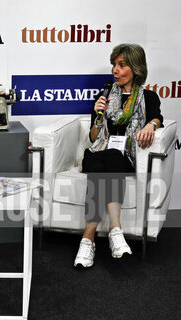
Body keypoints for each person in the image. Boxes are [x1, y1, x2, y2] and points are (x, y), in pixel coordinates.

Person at [74, 43, 163, 268]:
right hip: (99, 153)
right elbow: (94, 138)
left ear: (135, 68)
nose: (115, 69)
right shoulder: (103, 97)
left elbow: (156, 117)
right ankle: (115, 229)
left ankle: (87, 239)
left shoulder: (148, 97)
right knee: (102, 158)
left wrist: (151, 125)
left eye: (121, 65)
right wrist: (97, 115)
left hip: (125, 157)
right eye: (114, 64)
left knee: (112, 157)